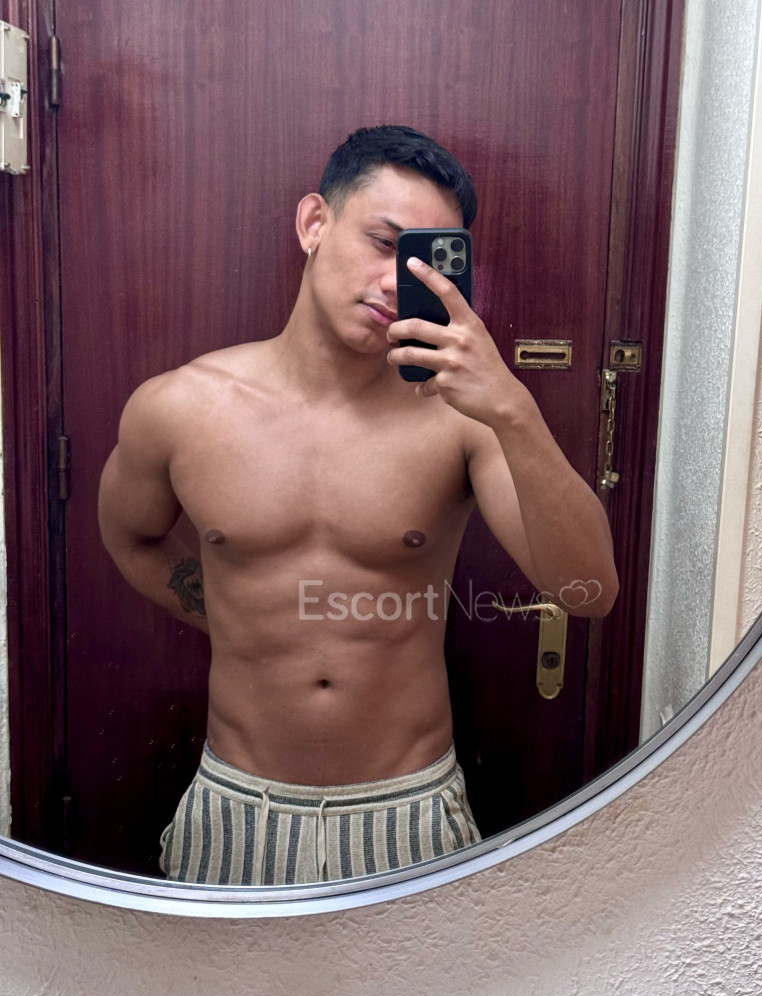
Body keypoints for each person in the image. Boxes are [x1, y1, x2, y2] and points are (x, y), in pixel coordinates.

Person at [97, 125, 618, 887]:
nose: (394, 282)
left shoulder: (462, 419)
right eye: (383, 243)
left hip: (408, 810)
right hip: (239, 805)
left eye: (423, 264)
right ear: (315, 223)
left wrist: (512, 407)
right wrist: (240, 617)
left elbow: (589, 591)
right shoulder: (181, 408)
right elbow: (132, 538)